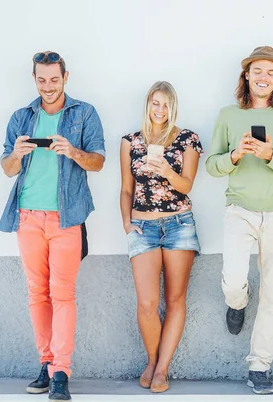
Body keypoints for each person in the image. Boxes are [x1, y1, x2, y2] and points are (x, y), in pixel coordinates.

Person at [0, 51, 105, 401]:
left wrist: (72, 152)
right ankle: (45, 363)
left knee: (63, 295)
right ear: (34, 78)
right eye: (41, 79)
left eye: (54, 79)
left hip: (66, 218)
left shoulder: (84, 113)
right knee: (37, 294)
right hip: (27, 217)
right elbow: (7, 168)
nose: (48, 86)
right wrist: (16, 154)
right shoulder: (21, 117)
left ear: (66, 77)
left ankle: (61, 371)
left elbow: (99, 161)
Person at [205, 46, 273, 394]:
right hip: (240, 211)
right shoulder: (228, 115)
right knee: (234, 281)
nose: (264, 77)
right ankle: (237, 302)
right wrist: (235, 155)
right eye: (258, 71)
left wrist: (270, 155)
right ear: (246, 75)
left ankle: (259, 366)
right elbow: (212, 165)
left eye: (271, 72)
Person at [119, 81, 203, 393]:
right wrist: (127, 224)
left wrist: (166, 170)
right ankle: (152, 359)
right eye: (156, 103)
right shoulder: (130, 141)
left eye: (166, 104)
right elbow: (127, 188)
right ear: (148, 104)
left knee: (175, 299)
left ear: (173, 107)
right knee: (147, 302)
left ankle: (162, 369)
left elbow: (186, 185)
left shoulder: (187, 139)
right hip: (144, 227)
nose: (160, 110)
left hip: (179, 224)